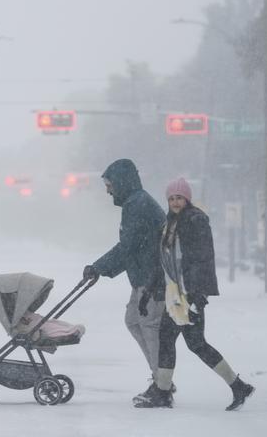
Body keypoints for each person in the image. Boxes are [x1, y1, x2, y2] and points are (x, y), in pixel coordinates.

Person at [134, 177, 255, 411]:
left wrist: (199, 294)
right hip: (176, 294)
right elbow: (163, 263)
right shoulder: (170, 224)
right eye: (171, 198)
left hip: (189, 294)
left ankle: (163, 392)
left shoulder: (195, 221)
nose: (175, 202)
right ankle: (237, 386)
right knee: (186, 342)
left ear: (187, 199)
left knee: (182, 341)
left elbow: (202, 259)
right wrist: (148, 292)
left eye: (179, 197)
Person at [82, 159, 167, 404]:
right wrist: (101, 269)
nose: (108, 190)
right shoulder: (135, 202)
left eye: (109, 184)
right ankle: (160, 379)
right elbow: (131, 248)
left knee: (149, 325)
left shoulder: (137, 204)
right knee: (134, 321)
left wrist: (98, 267)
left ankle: (162, 386)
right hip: (144, 275)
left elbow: (128, 246)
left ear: (121, 182)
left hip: (153, 277)